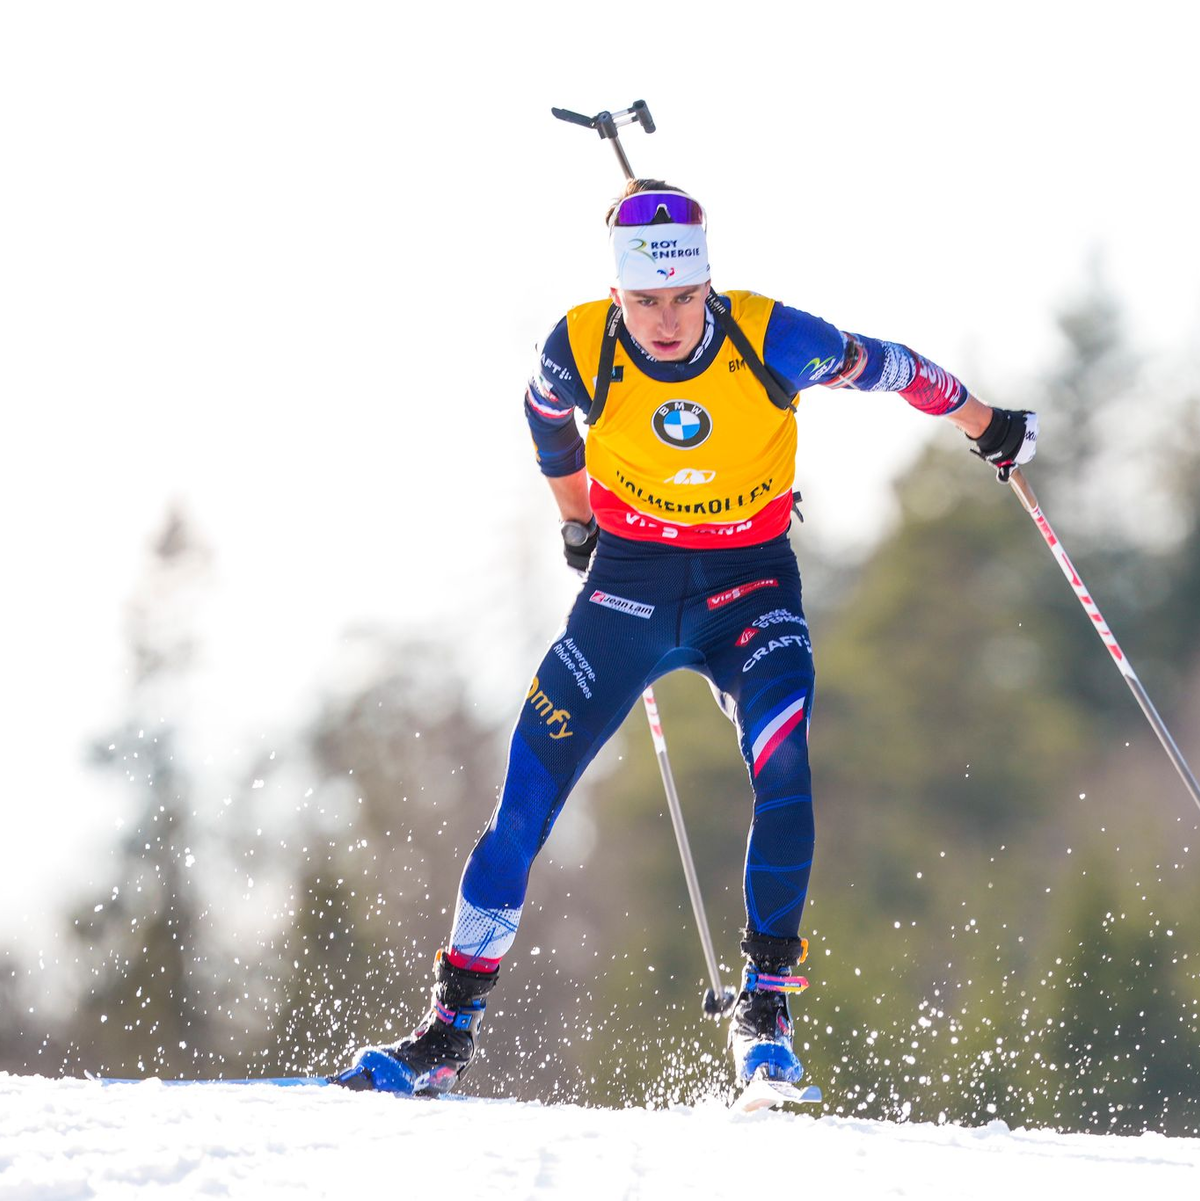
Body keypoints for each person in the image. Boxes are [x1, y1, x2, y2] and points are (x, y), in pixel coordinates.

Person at [333, 180, 1038, 1096]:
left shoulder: (770, 336)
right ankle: (444, 1035)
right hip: (626, 593)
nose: (664, 322)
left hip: (750, 594)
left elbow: (892, 365)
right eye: (643, 301)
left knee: (784, 766)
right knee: (523, 801)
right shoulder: (579, 344)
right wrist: (576, 516)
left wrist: (988, 424)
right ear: (617, 294)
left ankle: (766, 1010)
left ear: (707, 283)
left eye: (681, 298)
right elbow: (544, 419)